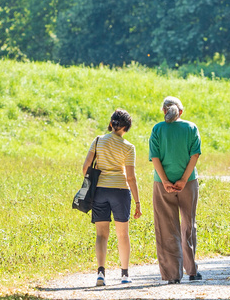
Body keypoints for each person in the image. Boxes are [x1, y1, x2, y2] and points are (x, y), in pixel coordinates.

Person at [81, 108, 142, 286]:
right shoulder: (129, 148)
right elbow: (131, 177)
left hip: (99, 190)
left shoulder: (98, 140)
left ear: (111, 124)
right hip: (120, 191)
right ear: (127, 128)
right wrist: (137, 202)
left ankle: (101, 273)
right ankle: (124, 274)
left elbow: (85, 167)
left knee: (101, 234)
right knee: (123, 234)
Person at [149, 96, 202, 283]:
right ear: (181, 111)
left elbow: (155, 157)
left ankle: (172, 275)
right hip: (188, 184)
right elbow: (195, 155)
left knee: (166, 227)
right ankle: (192, 271)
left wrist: (165, 181)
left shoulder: (157, 129)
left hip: (162, 185)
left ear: (164, 111)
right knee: (188, 224)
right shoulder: (191, 127)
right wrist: (184, 179)